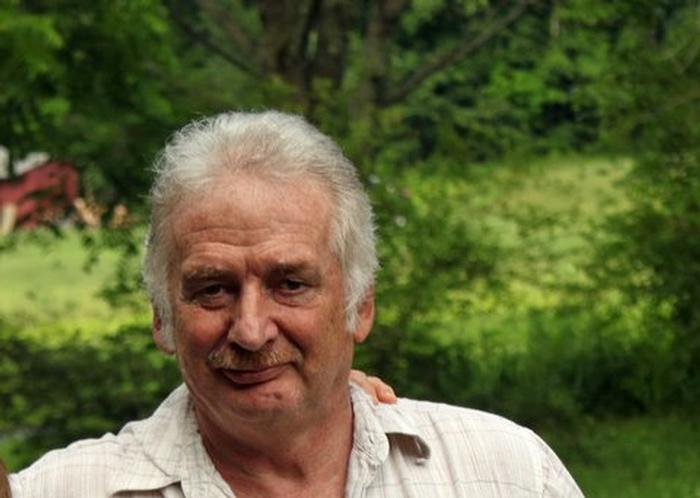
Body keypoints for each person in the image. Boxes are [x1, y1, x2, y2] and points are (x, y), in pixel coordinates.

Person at [10, 111, 583, 497]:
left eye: (290, 283)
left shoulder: (505, 474)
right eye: (213, 289)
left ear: (360, 304)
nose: (251, 330)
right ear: (162, 317)